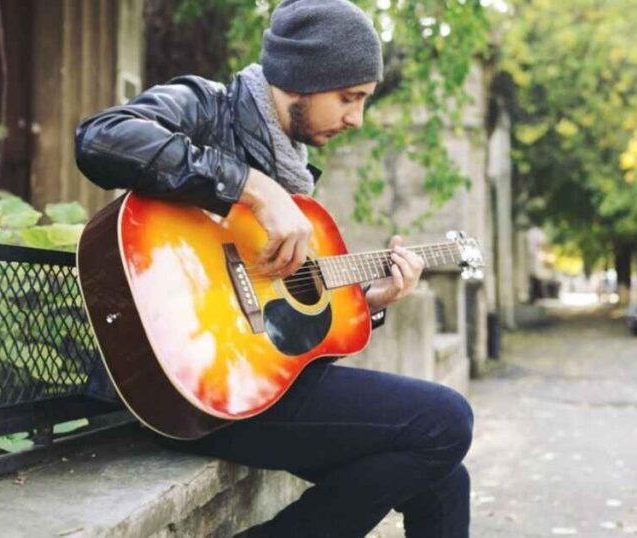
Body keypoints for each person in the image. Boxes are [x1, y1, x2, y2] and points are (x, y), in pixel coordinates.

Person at [73, 1, 473, 536]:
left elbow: (275, 321)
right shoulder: (206, 106)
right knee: (447, 420)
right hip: (189, 383)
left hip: (255, 381)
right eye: (349, 97)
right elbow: (101, 138)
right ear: (304, 80)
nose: (356, 118)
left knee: (447, 475)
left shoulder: (292, 163)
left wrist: (368, 302)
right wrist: (252, 187)